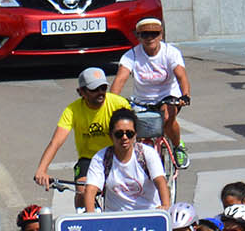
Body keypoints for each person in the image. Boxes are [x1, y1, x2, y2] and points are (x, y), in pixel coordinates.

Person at [110, 17, 192, 171]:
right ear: (138, 36)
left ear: (161, 35)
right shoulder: (131, 55)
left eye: (154, 34)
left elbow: (181, 76)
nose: (150, 38)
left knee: (167, 118)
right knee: (135, 129)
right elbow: (120, 79)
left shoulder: (171, 53)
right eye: (145, 35)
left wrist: (185, 95)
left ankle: (177, 146)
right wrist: (111, 101)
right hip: (142, 100)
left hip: (168, 96)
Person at [32, 68, 134, 188]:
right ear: (81, 92)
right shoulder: (72, 110)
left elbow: (133, 134)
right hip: (89, 159)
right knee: (82, 190)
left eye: (103, 88)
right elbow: (56, 142)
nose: (100, 92)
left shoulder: (119, 104)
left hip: (117, 155)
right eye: (94, 89)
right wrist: (42, 169)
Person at [79, 109, 171, 213]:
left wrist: (165, 206)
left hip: (148, 215)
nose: (124, 137)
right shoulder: (101, 157)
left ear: (135, 135)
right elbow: (90, 190)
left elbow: (160, 181)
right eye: (119, 134)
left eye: (129, 133)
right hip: (116, 219)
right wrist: (91, 218)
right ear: (110, 135)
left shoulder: (147, 153)